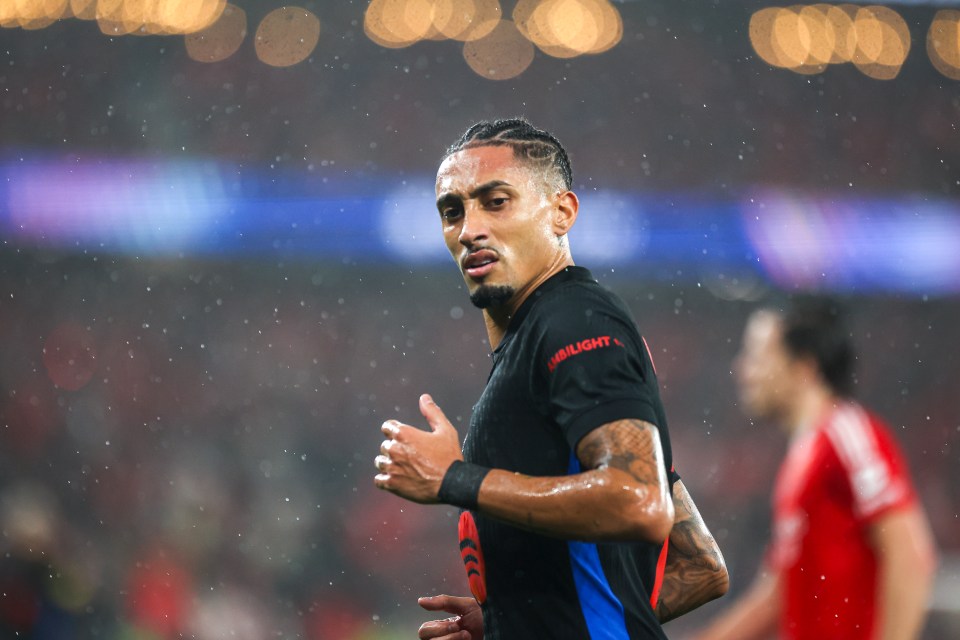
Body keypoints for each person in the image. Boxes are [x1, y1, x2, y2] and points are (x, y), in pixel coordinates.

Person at [373, 118, 729, 639]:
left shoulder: (573, 322)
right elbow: (699, 568)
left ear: (562, 212)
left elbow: (639, 500)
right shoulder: (539, 339)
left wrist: (455, 479)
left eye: (495, 201)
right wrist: (513, 625)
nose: (469, 228)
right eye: (453, 210)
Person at [693, 298, 937, 640]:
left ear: (804, 367)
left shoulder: (848, 434)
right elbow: (779, 591)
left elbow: (910, 555)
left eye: (757, 356)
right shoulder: (803, 454)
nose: (742, 369)